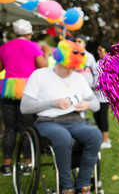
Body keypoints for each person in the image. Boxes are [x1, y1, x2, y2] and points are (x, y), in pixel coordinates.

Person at [20, 40, 102, 194]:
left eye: (74, 67)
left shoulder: (78, 78)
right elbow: (25, 107)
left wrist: (87, 105)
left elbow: (96, 104)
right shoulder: (40, 75)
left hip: (74, 119)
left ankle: (83, 184)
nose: (71, 71)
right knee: (62, 136)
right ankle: (66, 186)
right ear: (60, 60)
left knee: (95, 135)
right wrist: (52, 103)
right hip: (48, 121)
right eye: (68, 66)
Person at [0, 19, 49, 176]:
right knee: (27, 128)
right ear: (29, 33)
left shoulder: (4, 47)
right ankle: (27, 164)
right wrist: (46, 52)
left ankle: (6, 165)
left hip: (8, 89)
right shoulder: (34, 46)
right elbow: (44, 66)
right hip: (28, 89)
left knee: (9, 128)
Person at [94, 42, 112, 149]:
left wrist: (101, 84)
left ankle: (106, 140)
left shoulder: (109, 62)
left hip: (104, 96)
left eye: (100, 50)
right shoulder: (99, 61)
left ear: (105, 51)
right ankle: (102, 137)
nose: (98, 52)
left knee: (103, 117)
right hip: (97, 95)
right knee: (97, 116)